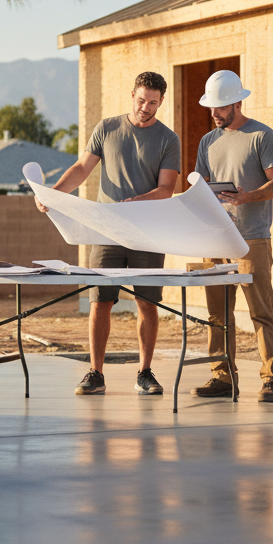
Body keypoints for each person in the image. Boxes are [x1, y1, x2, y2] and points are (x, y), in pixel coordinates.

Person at [36, 71, 180, 396]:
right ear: (132, 95)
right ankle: (95, 373)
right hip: (106, 232)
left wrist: (137, 203)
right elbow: (81, 169)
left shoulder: (168, 139)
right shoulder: (107, 128)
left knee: (147, 302)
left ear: (161, 102)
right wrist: (53, 195)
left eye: (153, 103)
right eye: (141, 100)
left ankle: (145, 373)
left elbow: (166, 189)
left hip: (147, 233)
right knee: (100, 301)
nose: (145, 107)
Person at [191, 69, 273, 403]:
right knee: (217, 314)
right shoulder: (208, 141)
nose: (215, 113)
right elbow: (201, 185)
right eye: (211, 108)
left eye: (220, 107)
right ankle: (222, 377)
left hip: (252, 239)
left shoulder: (262, 136)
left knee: (261, 311)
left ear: (237, 103)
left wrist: (247, 197)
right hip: (215, 239)